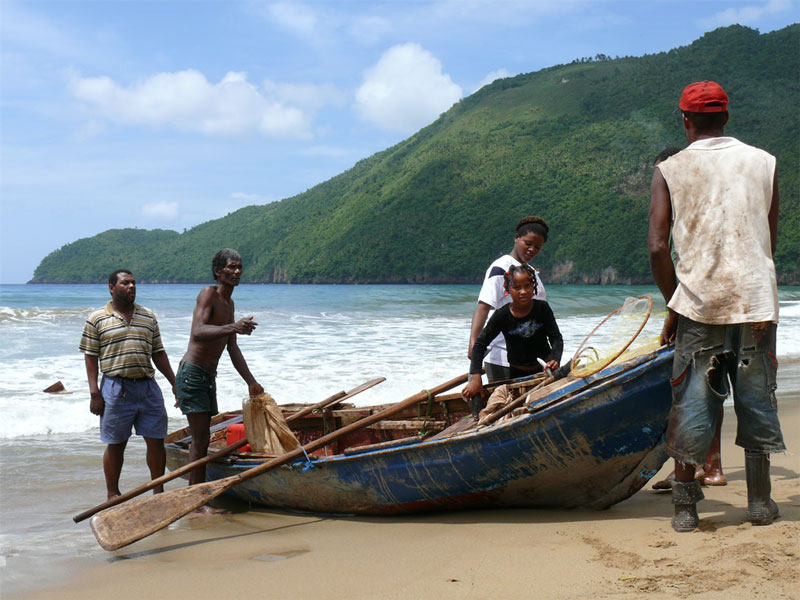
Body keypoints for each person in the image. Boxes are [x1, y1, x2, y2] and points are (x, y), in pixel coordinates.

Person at [648, 81, 784, 532]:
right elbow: (768, 238)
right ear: (727, 116)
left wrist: (675, 302)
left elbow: (656, 247)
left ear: (684, 120)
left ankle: (686, 510)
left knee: (691, 401)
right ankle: (761, 504)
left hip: (699, 306)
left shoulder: (670, 168)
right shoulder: (764, 162)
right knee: (756, 398)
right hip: (756, 303)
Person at [649, 146, 727, 491]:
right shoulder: (707, 206)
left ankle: (693, 467)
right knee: (714, 381)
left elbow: (658, 249)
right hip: (733, 301)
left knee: (692, 387)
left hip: (698, 307)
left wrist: (674, 310)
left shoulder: (686, 214)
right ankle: (713, 466)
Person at [176, 249, 264, 513]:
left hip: (207, 377)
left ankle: (199, 498)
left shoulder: (230, 305)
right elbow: (198, 332)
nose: (237, 272)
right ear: (218, 271)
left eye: (239, 267)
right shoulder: (208, 294)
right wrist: (233, 327)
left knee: (202, 439)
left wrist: (251, 381)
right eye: (231, 267)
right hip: (192, 373)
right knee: (200, 438)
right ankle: (196, 502)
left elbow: (232, 349)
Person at [79, 269, 176, 500]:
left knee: (156, 442)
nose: (131, 287)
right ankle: (113, 494)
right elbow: (91, 357)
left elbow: (158, 352)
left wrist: (174, 383)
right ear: (112, 288)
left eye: (133, 283)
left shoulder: (148, 316)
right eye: (125, 283)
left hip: (148, 387)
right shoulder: (97, 318)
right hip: (115, 388)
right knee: (116, 444)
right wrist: (94, 392)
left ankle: (158, 492)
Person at [462, 263, 563, 401]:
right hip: (516, 376)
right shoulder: (501, 315)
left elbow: (556, 338)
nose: (523, 291)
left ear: (534, 286)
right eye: (516, 287)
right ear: (507, 289)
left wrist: (555, 359)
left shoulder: (542, 308)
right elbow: (480, 344)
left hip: (545, 372)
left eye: (527, 286)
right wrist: (475, 377)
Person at [468, 216, 549, 384]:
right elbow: (483, 306)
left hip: (534, 359)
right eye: (528, 243)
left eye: (537, 247)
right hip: (504, 358)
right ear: (516, 237)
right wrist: (474, 343)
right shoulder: (500, 269)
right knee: (506, 406)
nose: (532, 249)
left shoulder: (530, 271)